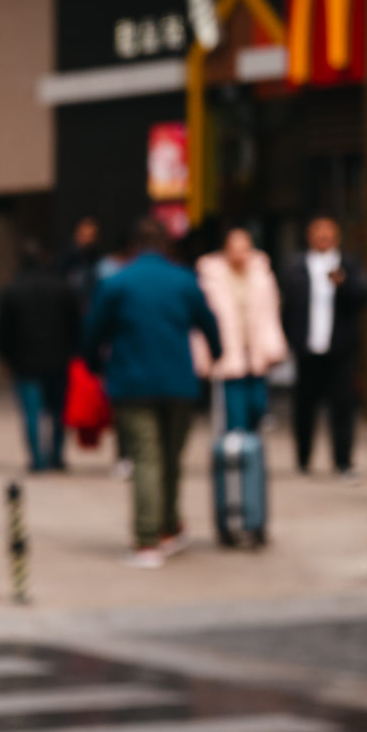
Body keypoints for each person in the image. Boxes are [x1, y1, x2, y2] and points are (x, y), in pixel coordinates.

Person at [84, 217, 222, 568]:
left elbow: (92, 331)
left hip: (132, 382)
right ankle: (168, 529)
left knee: (146, 457)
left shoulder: (117, 282)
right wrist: (216, 355)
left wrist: (95, 366)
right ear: (167, 246)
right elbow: (209, 323)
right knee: (171, 458)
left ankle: (146, 541)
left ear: (133, 246)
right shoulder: (184, 279)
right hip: (178, 382)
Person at [279, 215, 367, 477]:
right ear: (309, 237)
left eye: (327, 234)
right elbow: (287, 309)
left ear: (336, 237)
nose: (322, 238)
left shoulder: (349, 265)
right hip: (307, 348)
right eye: (317, 233)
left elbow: (364, 297)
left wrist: (343, 286)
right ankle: (303, 459)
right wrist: (290, 340)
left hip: (341, 350)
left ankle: (342, 461)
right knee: (304, 407)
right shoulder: (296, 266)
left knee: (342, 407)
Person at [0, 239, 80, 472]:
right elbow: (76, 324)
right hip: (59, 359)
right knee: (58, 411)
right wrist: (75, 351)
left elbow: (2, 329)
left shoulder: (11, 290)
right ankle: (57, 456)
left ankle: (37, 460)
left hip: (25, 361)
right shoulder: (62, 287)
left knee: (31, 412)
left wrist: (5, 357)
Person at [195, 227, 286, 434]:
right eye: (235, 248)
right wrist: (205, 353)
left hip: (256, 348)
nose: (240, 253)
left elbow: (271, 313)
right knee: (234, 411)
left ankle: (250, 452)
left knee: (257, 405)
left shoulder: (262, 274)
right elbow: (203, 320)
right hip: (227, 349)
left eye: (244, 248)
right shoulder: (211, 277)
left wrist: (274, 346)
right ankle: (237, 454)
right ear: (225, 250)